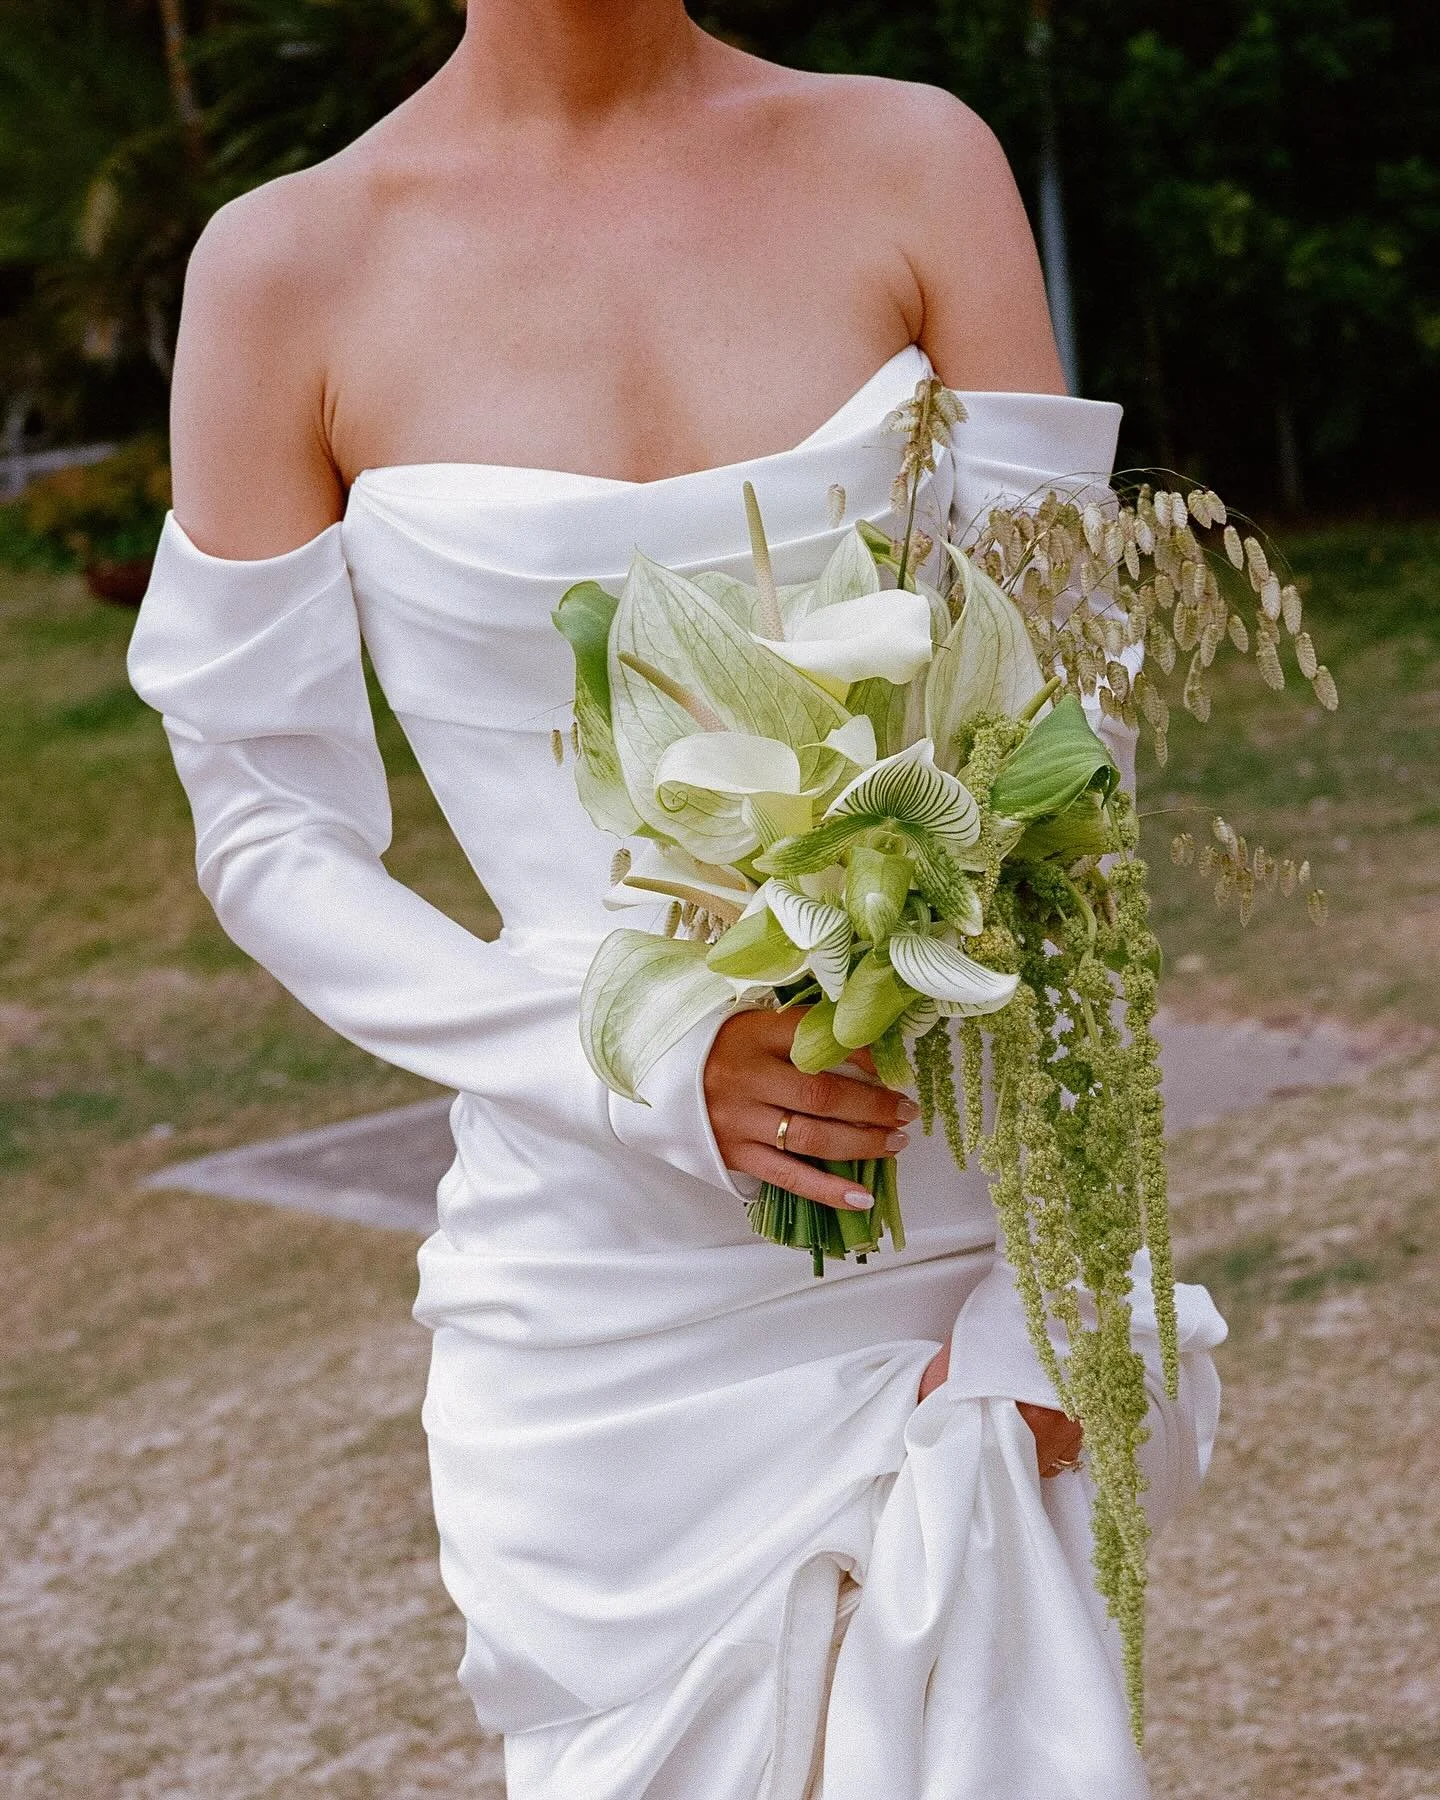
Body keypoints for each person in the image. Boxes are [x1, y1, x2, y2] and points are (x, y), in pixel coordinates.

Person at [128, 4, 1225, 1795]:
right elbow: (266, 834)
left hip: (952, 1221)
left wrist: (1050, 1297)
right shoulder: (284, 270)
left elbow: (1071, 737)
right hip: (606, 1319)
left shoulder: (916, 164)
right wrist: (648, 1060)